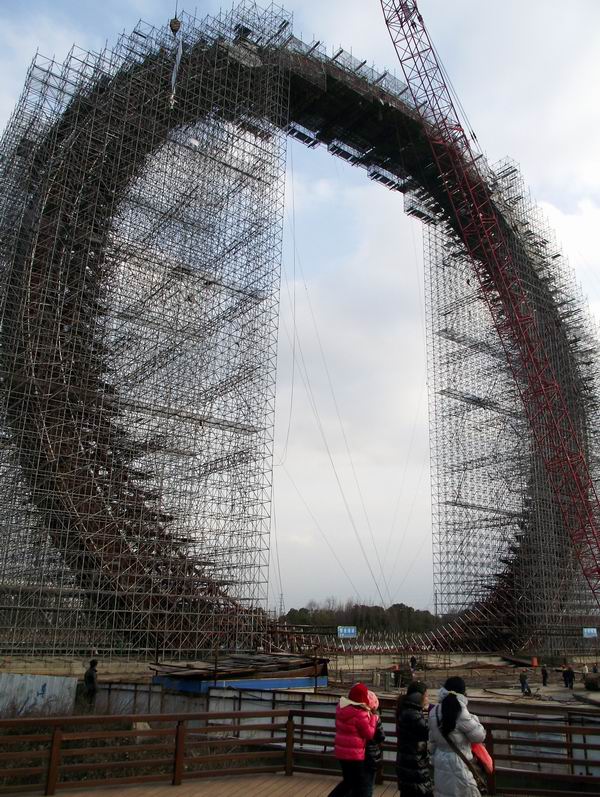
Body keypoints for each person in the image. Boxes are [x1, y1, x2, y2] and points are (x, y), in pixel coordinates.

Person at [429, 676, 486, 797]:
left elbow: (432, 740)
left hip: (440, 760)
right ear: (462, 692)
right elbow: (479, 736)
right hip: (459, 762)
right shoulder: (460, 710)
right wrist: (474, 718)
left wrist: (433, 758)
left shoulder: (434, 711)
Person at [328, 682, 378, 797]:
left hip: (341, 752)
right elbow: (369, 734)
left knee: (348, 780)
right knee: (357, 783)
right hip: (355, 754)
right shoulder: (361, 714)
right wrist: (374, 718)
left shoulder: (341, 710)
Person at [396, 681, 433, 797]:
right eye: (426, 695)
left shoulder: (406, 710)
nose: (428, 699)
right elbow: (429, 732)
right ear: (418, 697)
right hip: (415, 765)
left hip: (407, 762)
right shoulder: (414, 714)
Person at [364, 690, 385, 797]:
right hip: (371, 755)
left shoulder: (358, 714)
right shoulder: (375, 718)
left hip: (357, 755)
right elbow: (381, 736)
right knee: (368, 784)